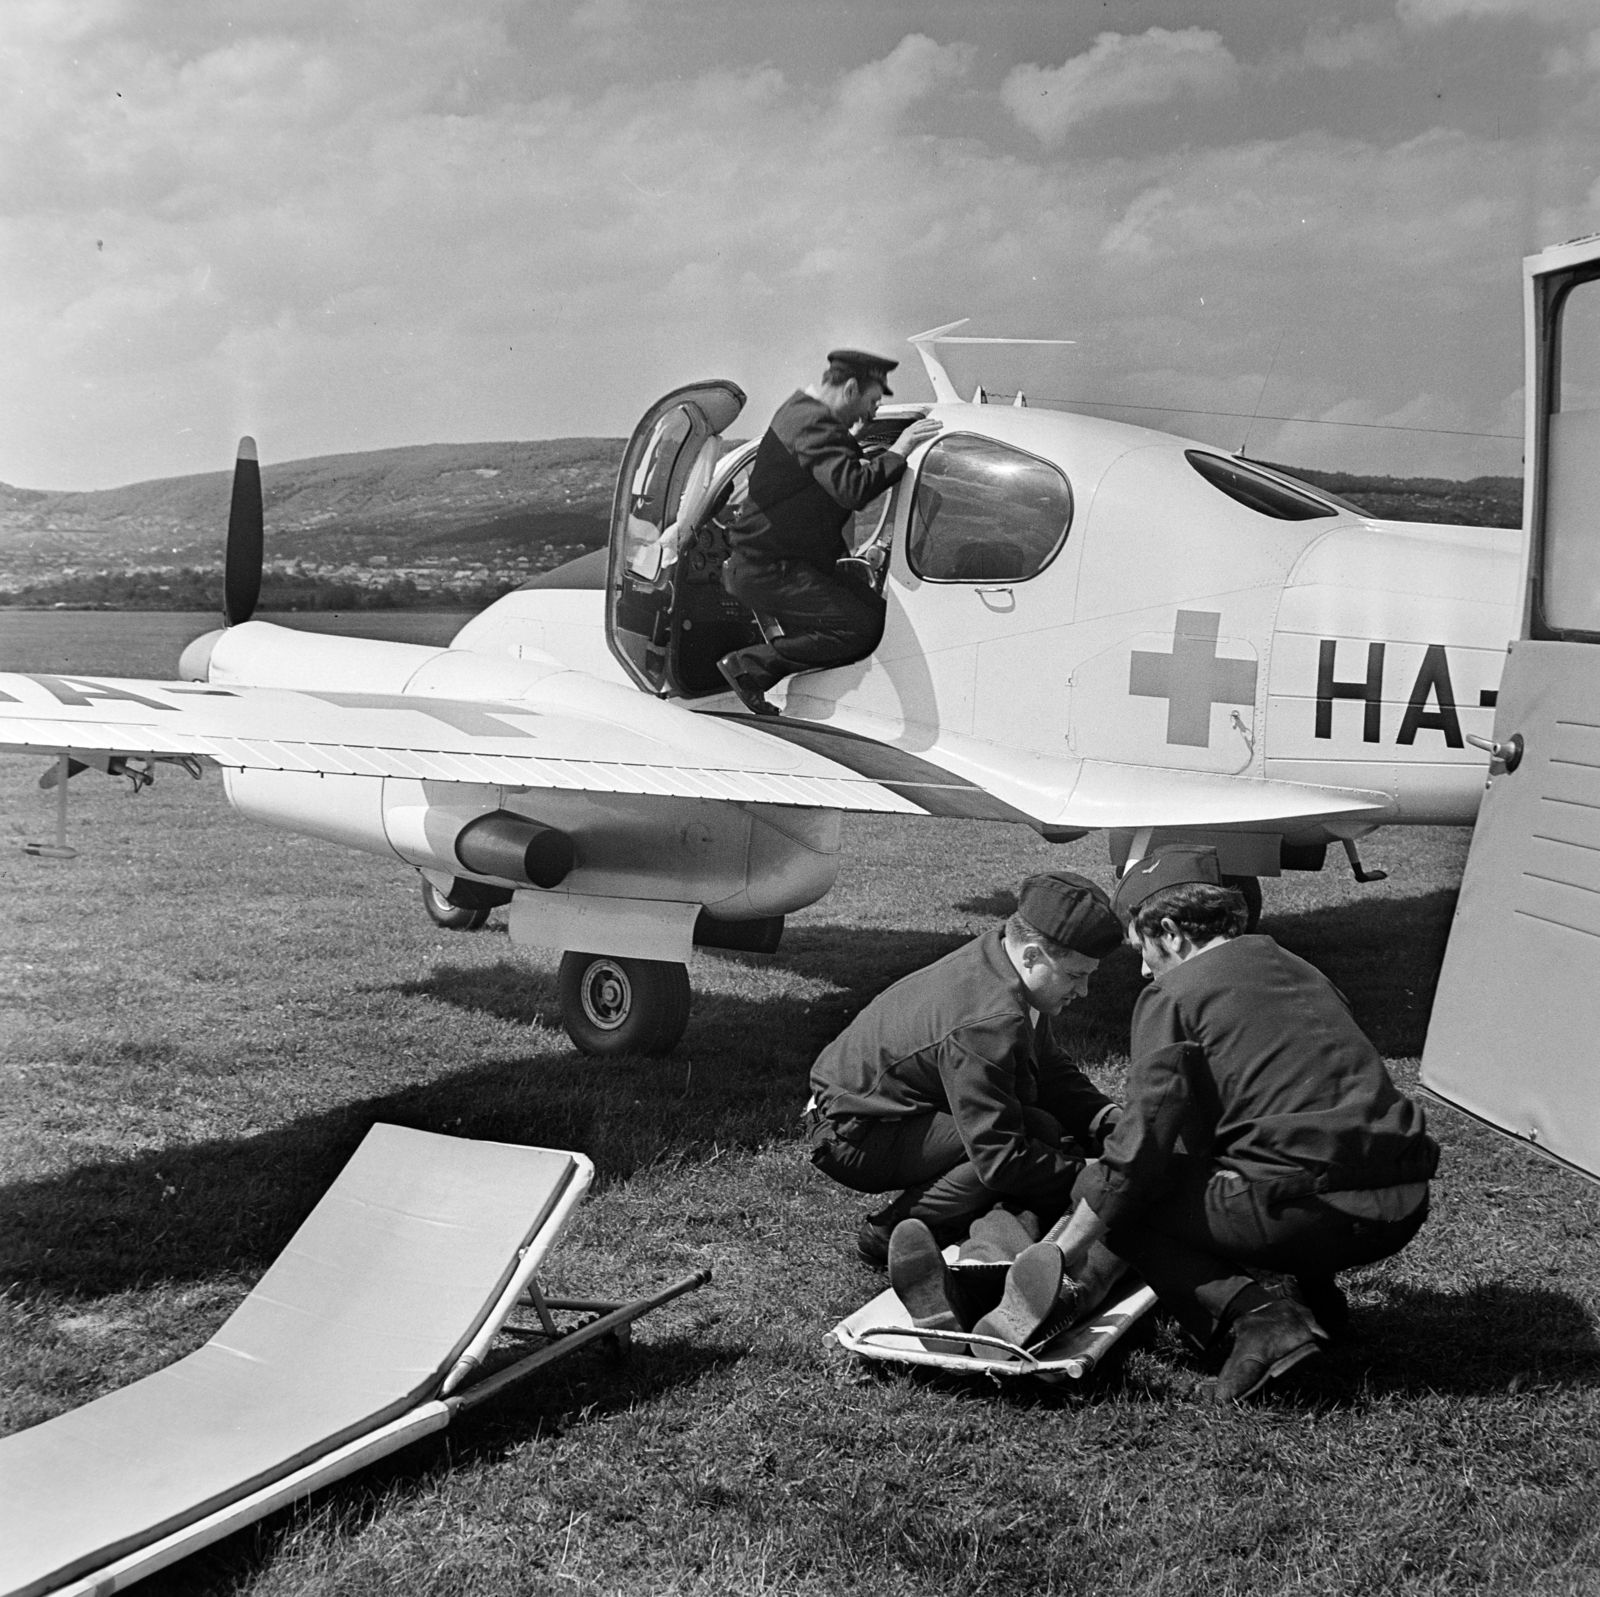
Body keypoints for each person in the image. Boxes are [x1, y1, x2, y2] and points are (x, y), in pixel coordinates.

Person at [956, 845, 1439, 1399]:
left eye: (1142, 948)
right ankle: (1318, 1304)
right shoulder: (1300, 967)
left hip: (1307, 1215)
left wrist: (1061, 1251)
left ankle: (1262, 1320)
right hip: (1402, 1204)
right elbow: (1315, 1111)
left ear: (1169, 929)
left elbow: (1137, 1158)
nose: (1142, 969)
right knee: (1284, 1150)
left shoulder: (1173, 995)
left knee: (1130, 1203)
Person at [803, 871, 1125, 1270]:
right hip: (852, 1135)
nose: (1085, 990)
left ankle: (941, 1218)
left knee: (1038, 1129)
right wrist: (1102, 1177)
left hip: (867, 1111)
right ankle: (890, 1234)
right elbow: (1000, 1158)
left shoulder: (1001, 960)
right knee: (1019, 1144)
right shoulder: (990, 1019)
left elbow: (1048, 1068)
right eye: (1076, 975)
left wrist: (1108, 1121)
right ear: (1031, 956)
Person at [717, 349, 942, 716]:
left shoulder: (800, 412)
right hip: (770, 570)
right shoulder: (814, 424)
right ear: (851, 389)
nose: (871, 412)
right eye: (871, 401)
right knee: (860, 629)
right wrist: (901, 450)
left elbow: (824, 470)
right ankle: (748, 667)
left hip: (776, 564)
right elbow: (851, 488)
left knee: (876, 611)